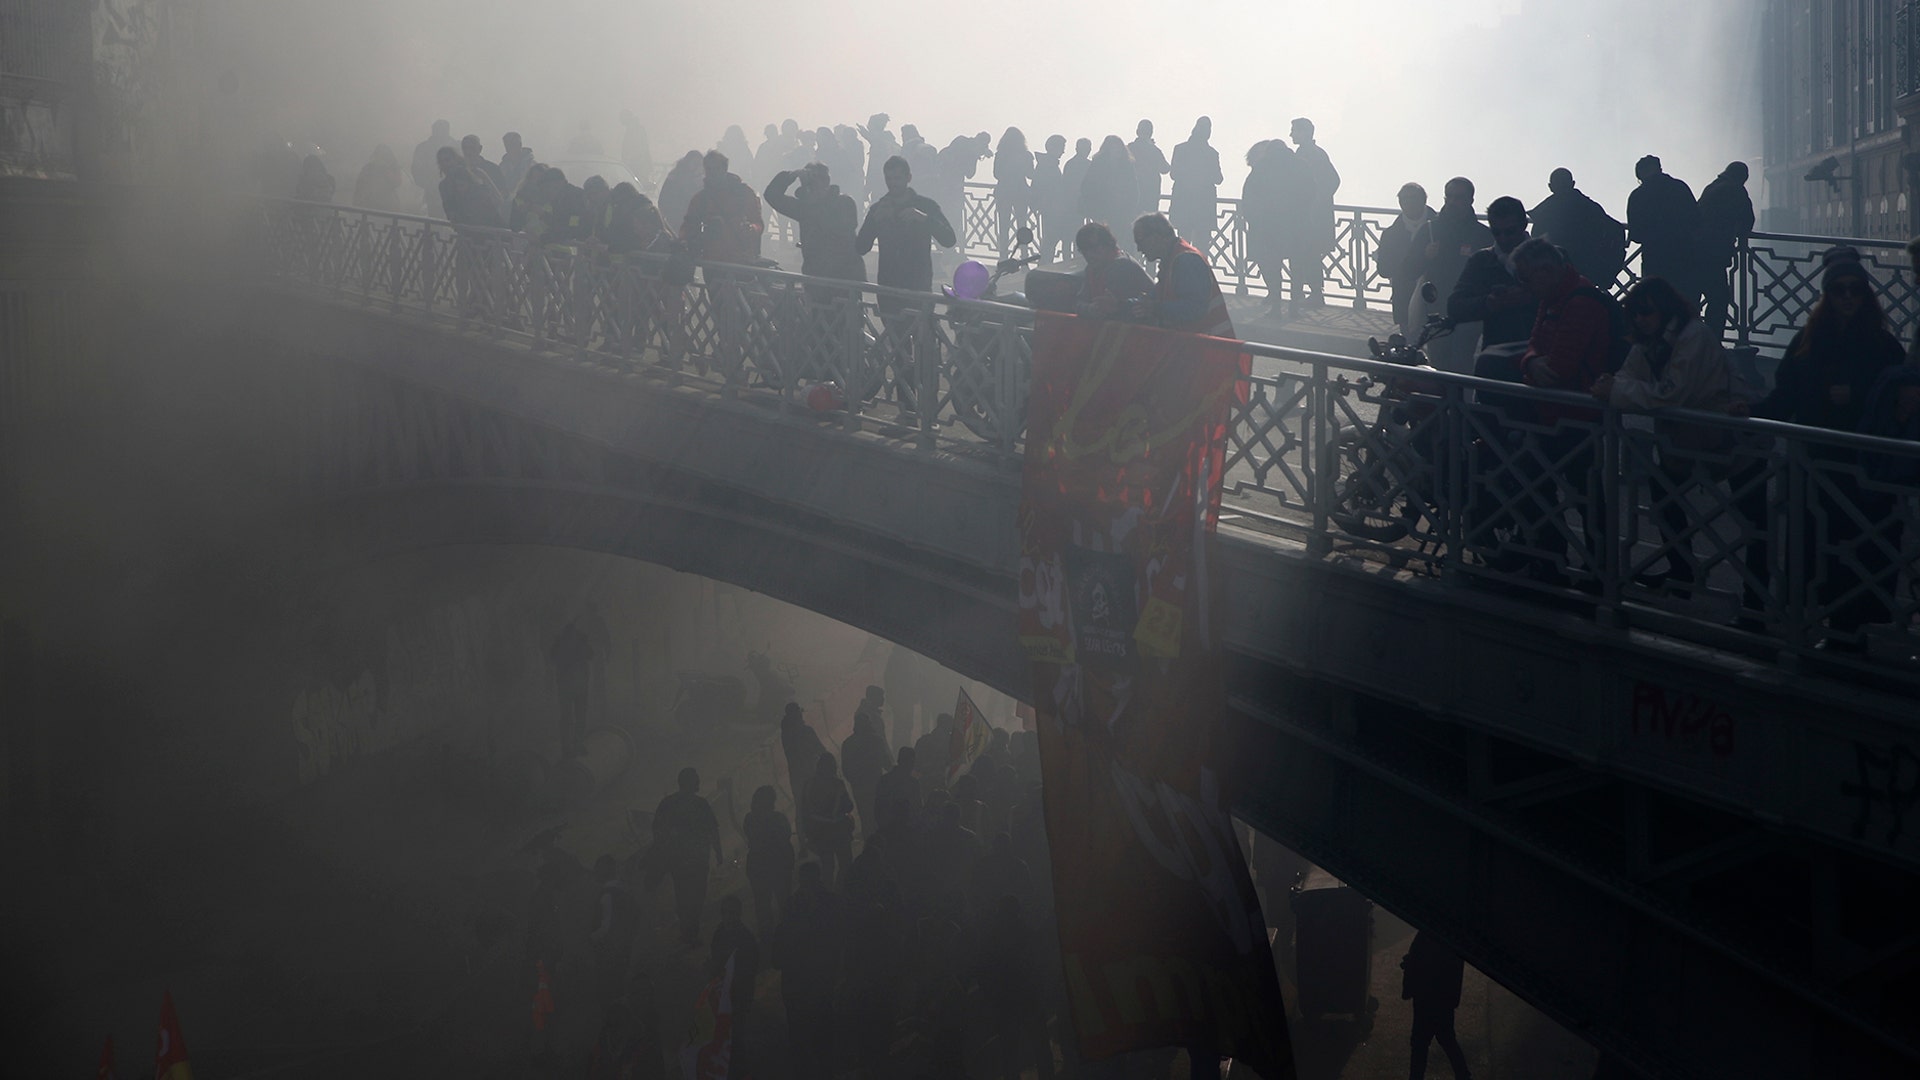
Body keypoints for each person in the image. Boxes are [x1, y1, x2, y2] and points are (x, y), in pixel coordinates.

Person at [1740, 248, 1904, 644]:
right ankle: (1815, 624)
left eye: (1855, 290)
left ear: (1866, 295)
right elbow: (1787, 393)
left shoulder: (1882, 346)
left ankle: (1849, 631)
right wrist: (1750, 413)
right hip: (1816, 465)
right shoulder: (1808, 341)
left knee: (1855, 549)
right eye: (1839, 290)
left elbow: (1898, 401)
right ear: (1827, 296)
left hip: (1860, 469)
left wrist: (1858, 394)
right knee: (1817, 546)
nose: (1847, 297)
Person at [1589, 276, 1735, 595]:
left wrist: (1615, 389)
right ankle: (1683, 571)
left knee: (1749, 516)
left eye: (1647, 312)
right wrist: (1615, 384)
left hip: (1719, 432)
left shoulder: (1693, 335)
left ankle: (1755, 597)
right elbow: (1630, 374)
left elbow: (1670, 394)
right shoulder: (1652, 339)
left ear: (1665, 311)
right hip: (1684, 434)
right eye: (1636, 313)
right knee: (1665, 496)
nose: (1640, 319)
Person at [1414, 178, 1495, 374]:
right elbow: (1408, 269)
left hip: (1469, 311)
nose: (1451, 202)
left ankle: (1459, 404)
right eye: (1448, 197)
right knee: (1438, 364)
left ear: (1470, 200)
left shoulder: (1482, 234)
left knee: (1462, 364)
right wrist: (1424, 255)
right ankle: (1444, 404)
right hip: (1437, 307)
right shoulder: (1430, 229)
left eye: (1458, 197)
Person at [855, 155, 957, 311]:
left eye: (897, 178)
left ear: (908, 177)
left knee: (923, 333)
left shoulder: (926, 206)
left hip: (919, 284)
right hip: (888, 286)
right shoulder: (879, 208)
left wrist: (924, 219)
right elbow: (861, 247)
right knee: (893, 333)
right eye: (889, 179)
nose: (892, 183)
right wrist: (875, 220)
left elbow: (949, 240)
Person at [1448, 196, 1537, 359]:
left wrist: (1531, 296)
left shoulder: (1483, 260)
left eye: (1509, 232)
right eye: (1496, 232)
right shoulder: (1481, 260)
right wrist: (1489, 302)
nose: (1503, 238)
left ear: (1523, 225)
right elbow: (1455, 306)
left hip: (1536, 352)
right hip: (1499, 354)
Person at [1132, 212, 1235, 338]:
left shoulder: (1186, 261)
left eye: (1140, 241)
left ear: (1156, 237)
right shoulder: (1171, 261)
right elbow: (1153, 298)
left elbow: (1194, 309)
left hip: (1211, 346)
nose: (1138, 249)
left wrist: (1155, 308)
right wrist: (1121, 305)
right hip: (1199, 345)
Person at [652, 767, 723, 946]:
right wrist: (718, 851)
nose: (699, 783)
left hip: (678, 861)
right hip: (698, 860)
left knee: (682, 895)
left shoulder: (667, 803)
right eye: (696, 780)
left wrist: (664, 852)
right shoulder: (701, 804)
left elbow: (658, 831)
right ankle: (692, 932)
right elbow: (713, 830)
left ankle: (687, 932)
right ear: (691, 783)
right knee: (697, 896)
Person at [763, 162, 866, 283]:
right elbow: (772, 195)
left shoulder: (844, 202)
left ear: (826, 181)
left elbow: (841, 226)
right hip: (814, 274)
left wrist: (813, 200)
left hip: (845, 275)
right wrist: (790, 175)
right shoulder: (804, 207)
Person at [1529, 168, 1626, 292]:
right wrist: (1606, 274)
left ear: (1551, 187)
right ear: (1572, 183)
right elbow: (1616, 231)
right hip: (1586, 273)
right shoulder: (1590, 208)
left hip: (1555, 275)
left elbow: (1536, 243)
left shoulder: (1543, 214)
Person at [1627, 155, 1701, 306]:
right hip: (1684, 256)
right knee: (1684, 304)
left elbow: (1636, 234)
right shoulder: (1680, 187)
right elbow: (1696, 219)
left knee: (1657, 304)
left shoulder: (1638, 196)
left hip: (1655, 259)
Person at [1284, 117, 1341, 311]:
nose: (1291, 134)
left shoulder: (1314, 155)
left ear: (1305, 132)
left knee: (1310, 254)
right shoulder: (1305, 153)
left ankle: (1315, 294)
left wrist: (1317, 201)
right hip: (1307, 216)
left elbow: (1333, 180)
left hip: (1313, 218)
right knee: (1306, 254)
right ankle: (1307, 293)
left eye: (1294, 130)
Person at [1696, 161, 1755, 341]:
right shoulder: (1736, 190)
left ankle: (1691, 341)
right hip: (1714, 253)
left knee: (1693, 298)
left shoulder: (1711, 187)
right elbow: (1747, 222)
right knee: (1719, 299)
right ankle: (1712, 342)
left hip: (1695, 251)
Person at [1401, 931, 1472, 1080]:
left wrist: (1409, 964)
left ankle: (1416, 1077)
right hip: (1443, 998)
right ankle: (1463, 1075)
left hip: (1426, 997)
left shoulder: (1426, 935)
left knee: (1420, 1043)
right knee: (1446, 1038)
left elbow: (1419, 961)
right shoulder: (1451, 938)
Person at [1240, 140, 1297, 316]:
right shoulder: (1289, 169)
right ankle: (1284, 300)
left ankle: (1277, 299)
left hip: (1265, 225)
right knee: (1271, 262)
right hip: (1275, 224)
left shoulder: (1264, 172)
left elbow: (1248, 198)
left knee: (1269, 262)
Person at [679, 150, 763, 265]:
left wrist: (751, 228)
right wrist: (689, 240)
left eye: (716, 169)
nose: (712, 173)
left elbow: (758, 223)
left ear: (725, 169)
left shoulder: (743, 193)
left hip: (743, 258)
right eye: (709, 169)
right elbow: (688, 226)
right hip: (712, 259)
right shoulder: (701, 199)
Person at [1376, 181, 1434, 332]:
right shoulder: (1390, 234)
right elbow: (1383, 270)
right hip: (1404, 297)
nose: (1409, 203)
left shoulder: (1441, 227)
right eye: (1404, 200)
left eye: (1413, 198)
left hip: (1436, 297)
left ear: (1423, 200)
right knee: (1409, 345)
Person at [741, 784, 794, 936]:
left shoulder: (749, 819)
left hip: (758, 866)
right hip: (779, 864)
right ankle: (788, 932)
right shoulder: (779, 818)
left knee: (762, 904)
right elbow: (786, 836)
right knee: (784, 901)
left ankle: (767, 937)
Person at [1073, 221, 1154, 319]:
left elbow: (1116, 311)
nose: (1089, 255)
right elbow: (1079, 302)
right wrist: (1090, 309)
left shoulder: (1121, 266)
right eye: (1084, 251)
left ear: (1109, 244)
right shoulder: (1093, 268)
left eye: (1094, 249)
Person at [589, 854, 640, 1003]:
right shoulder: (625, 892)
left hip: (609, 953)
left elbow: (606, 927)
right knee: (618, 990)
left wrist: (590, 939)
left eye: (598, 869)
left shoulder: (607, 894)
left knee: (607, 992)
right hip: (624, 949)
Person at [1169, 117, 1223, 257]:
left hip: (1183, 204)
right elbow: (1218, 179)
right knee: (1202, 248)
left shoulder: (1180, 149)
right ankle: (1201, 275)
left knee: (1183, 245)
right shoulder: (1211, 153)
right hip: (1204, 207)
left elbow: (1173, 174)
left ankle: (1182, 275)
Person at [801, 752, 856, 890]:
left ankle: (827, 894)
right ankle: (840, 889)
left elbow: (804, 811)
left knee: (827, 866)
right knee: (846, 863)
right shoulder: (837, 784)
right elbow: (849, 806)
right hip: (838, 831)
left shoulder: (808, 785)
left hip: (819, 832)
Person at [708, 894, 760, 1029]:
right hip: (721, 994)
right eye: (724, 912)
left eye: (732, 912)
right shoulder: (719, 934)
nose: (728, 916)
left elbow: (750, 970)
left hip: (739, 997)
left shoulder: (746, 939)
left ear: (738, 914)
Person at [840, 710, 889, 839]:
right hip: (876, 785)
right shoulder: (877, 740)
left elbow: (845, 769)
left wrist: (855, 782)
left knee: (865, 817)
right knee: (878, 817)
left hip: (859, 788)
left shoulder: (848, 743)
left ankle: (868, 845)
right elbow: (887, 763)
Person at [548, 620, 593, 754]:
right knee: (572, 716)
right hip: (571, 685)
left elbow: (590, 654)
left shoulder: (565, 643)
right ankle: (571, 745)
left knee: (573, 717)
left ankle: (572, 745)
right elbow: (590, 654)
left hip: (573, 685)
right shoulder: (572, 643)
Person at [1079, 135, 1137, 233]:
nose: (1116, 151)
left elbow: (1134, 188)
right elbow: (1087, 186)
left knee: (1119, 237)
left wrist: (1130, 207)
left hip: (1121, 210)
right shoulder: (1098, 164)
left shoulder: (1127, 165)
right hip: (1102, 209)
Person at [992, 127, 1035, 256]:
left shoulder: (1001, 154)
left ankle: (1003, 256)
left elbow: (996, 174)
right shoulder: (1026, 155)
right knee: (1022, 226)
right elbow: (1030, 174)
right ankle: (1024, 256)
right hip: (1020, 193)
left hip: (1004, 192)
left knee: (1003, 226)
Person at [779, 703, 828, 813]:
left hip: (796, 776)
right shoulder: (806, 731)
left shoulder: (785, 733)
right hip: (812, 772)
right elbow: (820, 750)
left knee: (801, 808)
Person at [1032, 135, 1071, 262]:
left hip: (1049, 208)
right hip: (1052, 208)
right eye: (1062, 147)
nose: (1063, 151)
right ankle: (1045, 266)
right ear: (1053, 148)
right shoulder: (1048, 165)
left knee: (1049, 240)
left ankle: (1045, 266)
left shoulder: (1045, 164)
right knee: (1050, 240)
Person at [411, 119, 457, 217]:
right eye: (438, 129)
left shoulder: (456, 146)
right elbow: (416, 170)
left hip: (456, 192)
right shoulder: (423, 148)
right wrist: (428, 185)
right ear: (433, 130)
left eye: (443, 129)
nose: (441, 132)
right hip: (432, 193)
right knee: (434, 220)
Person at [656, 151, 704, 242]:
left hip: (692, 225)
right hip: (676, 223)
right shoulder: (675, 178)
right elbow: (663, 201)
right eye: (695, 163)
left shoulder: (702, 182)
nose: (698, 167)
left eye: (700, 164)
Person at [873, 746, 921, 835]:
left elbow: (878, 808)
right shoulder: (913, 783)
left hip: (889, 829)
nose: (912, 765)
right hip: (903, 830)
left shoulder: (885, 780)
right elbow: (917, 809)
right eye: (911, 762)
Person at [1128, 119, 1170, 218]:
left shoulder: (1129, 148)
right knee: (1149, 222)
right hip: (1151, 193)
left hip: (1132, 192)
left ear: (1137, 132)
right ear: (1151, 133)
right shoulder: (1154, 151)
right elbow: (1165, 168)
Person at [858, 113, 899, 207]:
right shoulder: (890, 142)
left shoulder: (878, 145)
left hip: (880, 185)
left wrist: (867, 188)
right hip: (892, 184)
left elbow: (873, 168)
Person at [351, 145, 404, 212]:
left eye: (384, 156)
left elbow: (397, 182)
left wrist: (386, 170)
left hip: (388, 206)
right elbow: (359, 186)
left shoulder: (392, 168)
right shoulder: (368, 168)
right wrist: (356, 203)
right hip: (369, 206)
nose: (380, 159)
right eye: (379, 156)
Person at [460, 134, 507, 203]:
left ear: (480, 149)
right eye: (465, 148)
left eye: (472, 148)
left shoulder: (493, 169)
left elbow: (503, 195)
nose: (468, 152)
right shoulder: (458, 170)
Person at [1061, 137, 1093, 227]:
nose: (1088, 150)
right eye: (1086, 148)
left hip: (1077, 202)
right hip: (1077, 203)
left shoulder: (1070, 164)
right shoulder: (1088, 165)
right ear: (1077, 149)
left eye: (1088, 148)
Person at [619, 112, 652, 191]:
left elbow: (634, 147)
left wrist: (626, 159)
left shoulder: (634, 130)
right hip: (638, 162)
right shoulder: (635, 129)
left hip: (637, 163)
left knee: (638, 185)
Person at [498, 132, 535, 198]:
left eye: (513, 144)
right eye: (507, 145)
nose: (510, 148)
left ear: (520, 144)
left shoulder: (532, 165)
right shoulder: (502, 167)